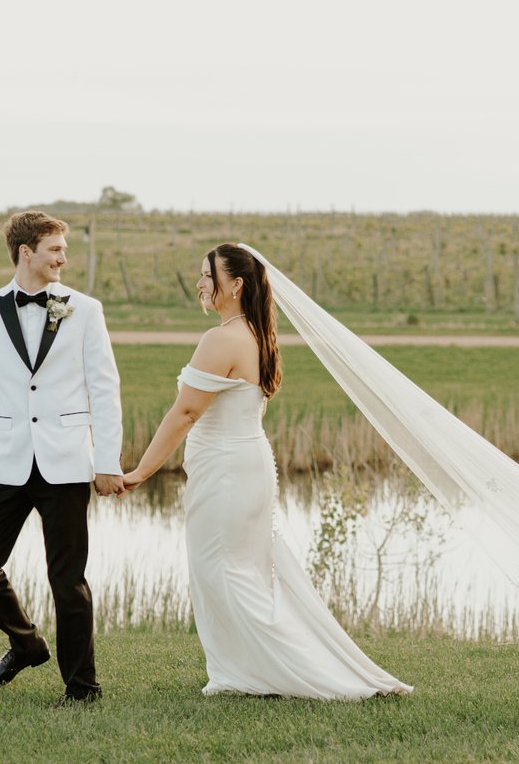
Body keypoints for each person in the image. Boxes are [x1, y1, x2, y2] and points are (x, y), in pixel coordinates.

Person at [122, 243, 411, 699]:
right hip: (246, 466)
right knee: (240, 571)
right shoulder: (256, 333)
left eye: (206, 274)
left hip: (228, 473)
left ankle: (285, 671)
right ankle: (244, 670)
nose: (199, 282)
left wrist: (140, 472)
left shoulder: (222, 339)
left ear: (234, 285)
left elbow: (185, 413)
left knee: (224, 571)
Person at [0, 210, 125, 707]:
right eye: (55, 250)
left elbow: (105, 389)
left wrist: (106, 460)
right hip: (9, 460)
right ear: (27, 253)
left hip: (68, 460)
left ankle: (82, 689)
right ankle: (26, 644)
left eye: (63, 250)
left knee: (67, 580)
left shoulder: (85, 310)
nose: (63, 258)